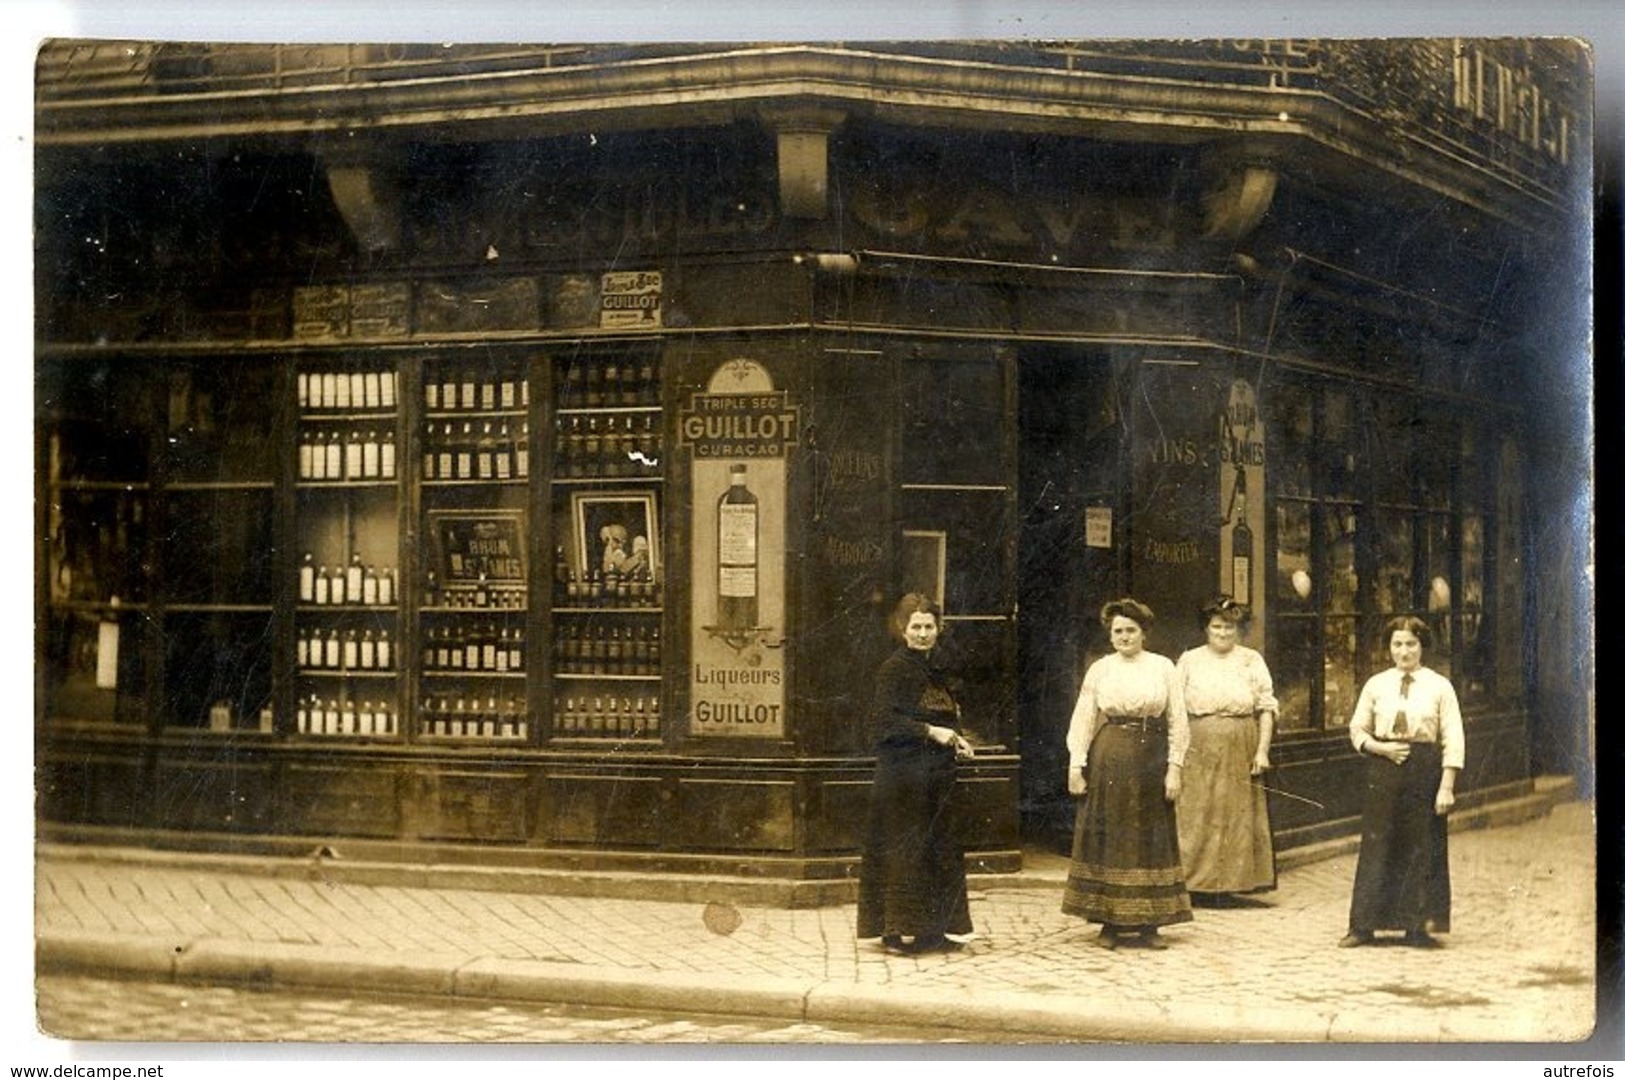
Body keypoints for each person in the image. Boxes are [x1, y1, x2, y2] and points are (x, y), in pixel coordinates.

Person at [1062, 598, 1193, 949]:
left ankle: (1150, 924)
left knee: (1150, 837)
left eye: (1130, 630)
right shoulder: (1101, 669)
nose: (1123, 637)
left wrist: (1174, 768)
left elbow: (1178, 719)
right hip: (1110, 756)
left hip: (1153, 756)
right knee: (1111, 834)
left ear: (1144, 633)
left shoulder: (1163, 667)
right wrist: (1076, 764)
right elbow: (1084, 717)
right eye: (1117, 631)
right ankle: (1109, 922)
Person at [856, 593, 976, 955]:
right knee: (904, 852)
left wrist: (956, 738)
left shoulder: (933, 669)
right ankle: (895, 933)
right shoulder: (894, 668)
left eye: (929, 627)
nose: (923, 634)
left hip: (936, 778)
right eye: (916, 627)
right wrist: (930, 732)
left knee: (936, 851)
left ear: (939, 629)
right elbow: (881, 722)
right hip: (903, 779)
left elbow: (942, 716)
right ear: (902, 629)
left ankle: (932, 932)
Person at [1339, 615, 1464, 948]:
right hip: (1384, 769)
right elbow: (1357, 729)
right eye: (1397, 644)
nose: (1404, 651)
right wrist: (1380, 748)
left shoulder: (1440, 686)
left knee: (1421, 846)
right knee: (1377, 845)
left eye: (1411, 643)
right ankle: (1363, 926)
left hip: (1424, 770)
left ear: (1423, 646)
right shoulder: (1376, 684)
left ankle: (1416, 926)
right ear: (1389, 647)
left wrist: (1446, 785)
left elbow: (1454, 737)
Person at [1175, 595, 1279, 901]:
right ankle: (1193, 883)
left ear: (1239, 630)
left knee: (1237, 814)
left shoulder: (1251, 660)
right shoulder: (1189, 660)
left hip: (1241, 741)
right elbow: (1176, 710)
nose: (1223, 633)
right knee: (1196, 812)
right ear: (1206, 628)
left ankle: (1233, 884)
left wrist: (1262, 750)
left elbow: (1266, 708)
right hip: (1198, 742)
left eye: (1229, 628)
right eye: (1217, 627)